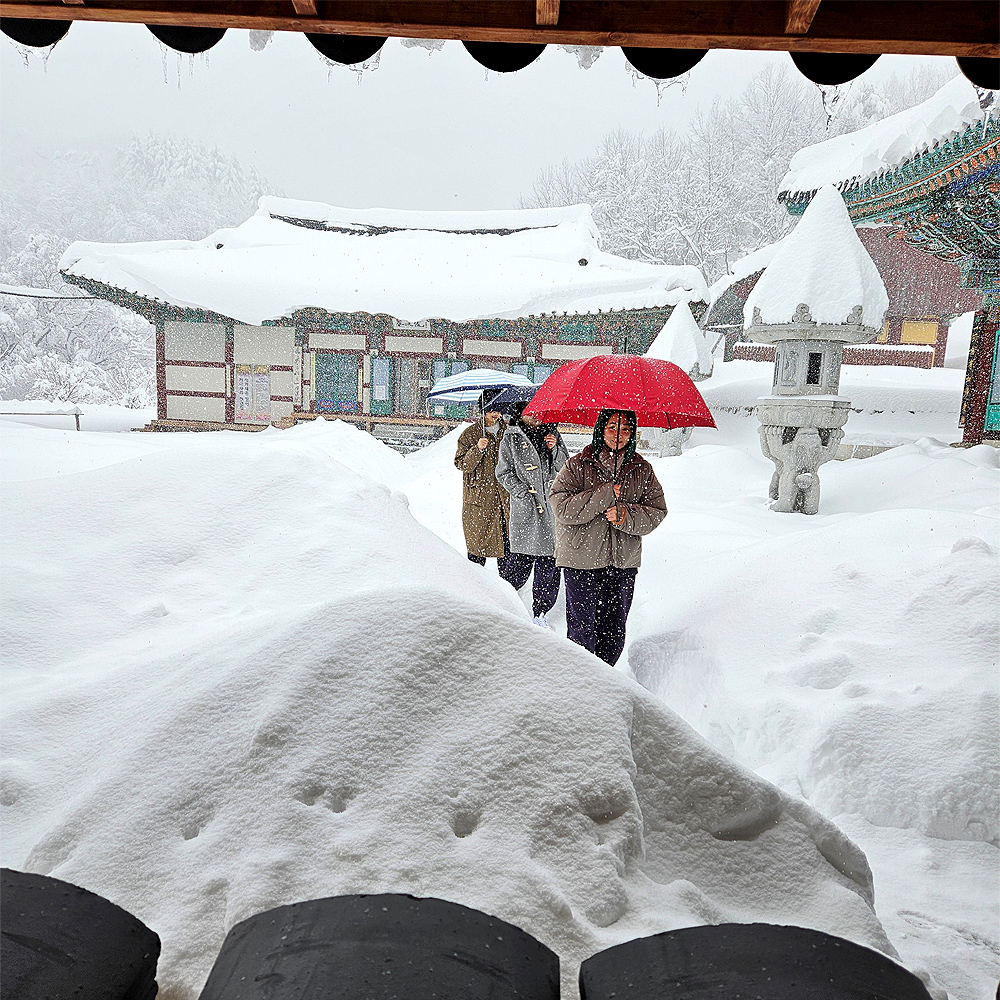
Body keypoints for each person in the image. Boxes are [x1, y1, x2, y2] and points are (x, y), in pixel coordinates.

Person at [550, 409, 667, 666]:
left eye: (626, 429)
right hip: (581, 562)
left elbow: (657, 511)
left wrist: (626, 515)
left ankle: (606, 685)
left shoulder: (641, 469)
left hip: (622, 564)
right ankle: (582, 686)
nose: (619, 435)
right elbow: (561, 507)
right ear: (601, 428)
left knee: (613, 635)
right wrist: (603, 495)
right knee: (582, 634)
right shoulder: (577, 465)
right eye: (613, 427)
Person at [495, 402, 570, 628]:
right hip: (526, 509)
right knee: (519, 562)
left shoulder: (552, 434)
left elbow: (565, 466)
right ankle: (504, 604)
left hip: (550, 508)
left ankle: (541, 612)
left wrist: (554, 448)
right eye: (530, 414)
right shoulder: (511, 437)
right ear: (521, 414)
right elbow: (503, 472)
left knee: (549, 564)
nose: (535, 418)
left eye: (539, 413)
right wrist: (521, 493)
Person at [454, 390, 512, 575]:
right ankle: (476, 591)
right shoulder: (470, 434)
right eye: (491, 409)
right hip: (479, 501)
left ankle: (507, 592)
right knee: (477, 550)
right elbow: (461, 464)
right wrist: (477, 449)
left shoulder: (509, 432)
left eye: (499, 409)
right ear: (483, 410)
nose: (495, 414)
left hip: (504, 499)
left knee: (507, 548)